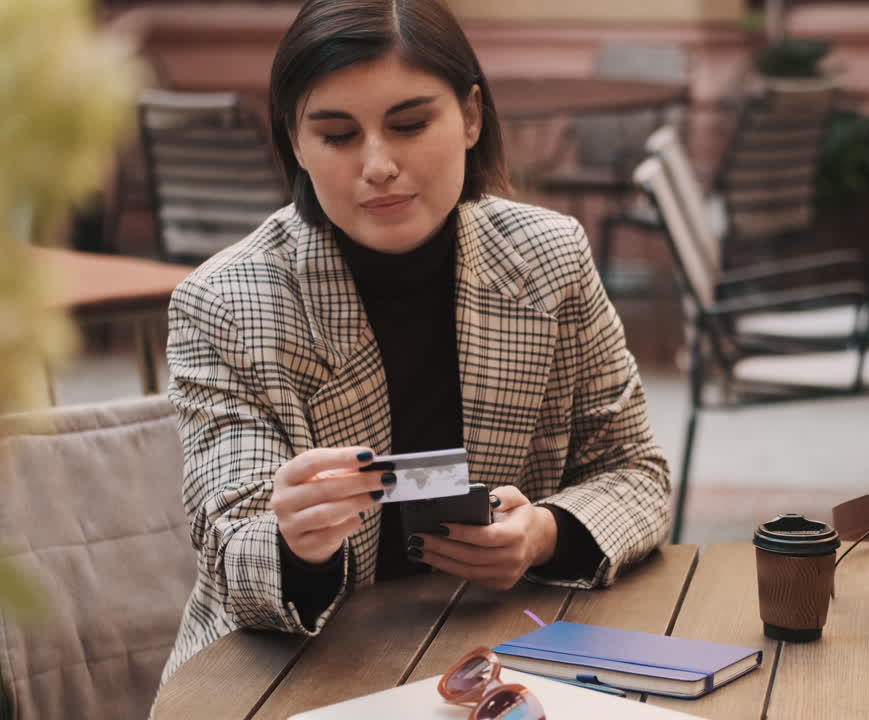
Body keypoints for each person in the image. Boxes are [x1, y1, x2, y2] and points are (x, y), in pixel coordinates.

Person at [157, 0, 671, 686]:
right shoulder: (224, 303)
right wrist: (295, 545)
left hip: (496, 655)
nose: (378, 164)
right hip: (289, 672)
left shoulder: (550, 258)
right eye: (338, 135)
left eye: (409, 124)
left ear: (471, 117)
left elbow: (637, 471)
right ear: (296, 144)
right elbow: (230, 555)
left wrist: (543, 534)